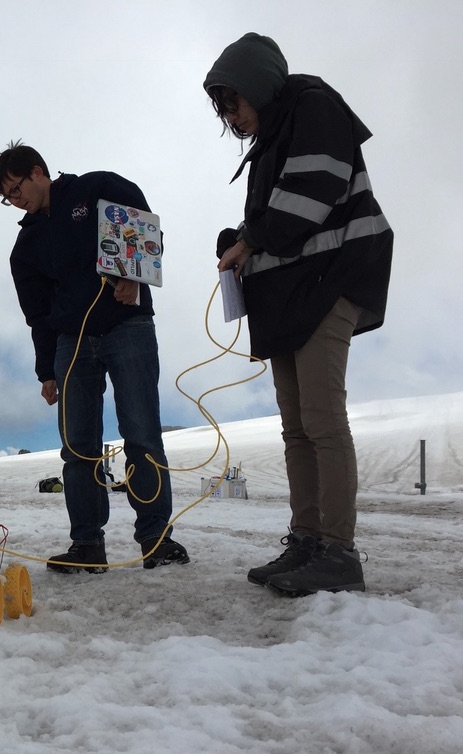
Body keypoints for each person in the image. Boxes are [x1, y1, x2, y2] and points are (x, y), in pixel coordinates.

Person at [204, 34, 392, 595]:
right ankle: (308, 539)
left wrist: (251, 238)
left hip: (327, 283)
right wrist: (241, 241)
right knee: (297, 427)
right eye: (223, 108)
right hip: (290, 293)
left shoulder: (313, 106)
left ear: (258, 85)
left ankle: (338, 552)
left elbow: (305, 202)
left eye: (232, 103)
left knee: (322, 418)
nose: (230, 116)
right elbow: (274, 222)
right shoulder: (271, 138)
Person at [0, 142, 189, 574]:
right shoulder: (25, 248)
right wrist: (46, 370)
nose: (15, 200)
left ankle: (156, 540)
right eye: (7, 197)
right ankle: (87, 546)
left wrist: (133, 279)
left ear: (38, 171)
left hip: (128, 327)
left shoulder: (96, 189)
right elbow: (37, 314)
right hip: (71, 343)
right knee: (78, 447)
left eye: (15, 187)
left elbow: (142, 225)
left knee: (142, 435)